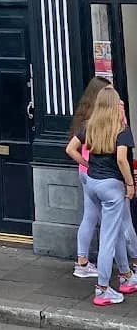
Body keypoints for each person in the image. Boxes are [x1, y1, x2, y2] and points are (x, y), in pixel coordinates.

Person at [67, 85, 137, 305]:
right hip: (112, 186)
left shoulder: (89, 125)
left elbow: (70, 149)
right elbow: (122, 160)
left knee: (115, 233)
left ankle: (126, 276)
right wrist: (130, 183)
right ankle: (103, 289)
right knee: (108, 238)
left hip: (93, 184)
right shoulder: (121, 130)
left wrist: (88, 165)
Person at [68, 77, 112, 277]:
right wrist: (90, 164)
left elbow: (72, 148)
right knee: (108, 220)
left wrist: (84, 164)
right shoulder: (98, 118)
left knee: (90, 216)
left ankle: (82, 262)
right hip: (97, 172)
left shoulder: (84, 115)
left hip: (85, 172)